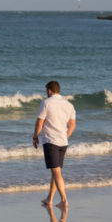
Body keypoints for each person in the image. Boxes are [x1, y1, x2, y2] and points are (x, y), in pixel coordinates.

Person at [32, 80, 76, 208]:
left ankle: (64, 199)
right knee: (55, 171)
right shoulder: (69, 105)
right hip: (63, 142)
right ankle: (49, 199)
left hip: (51, 141)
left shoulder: (46, 103)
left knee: (56, 172)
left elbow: (39, 122)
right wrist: (65, 136)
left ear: (49, 90)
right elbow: (72, 125)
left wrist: (35, 136)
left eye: (46, 90)